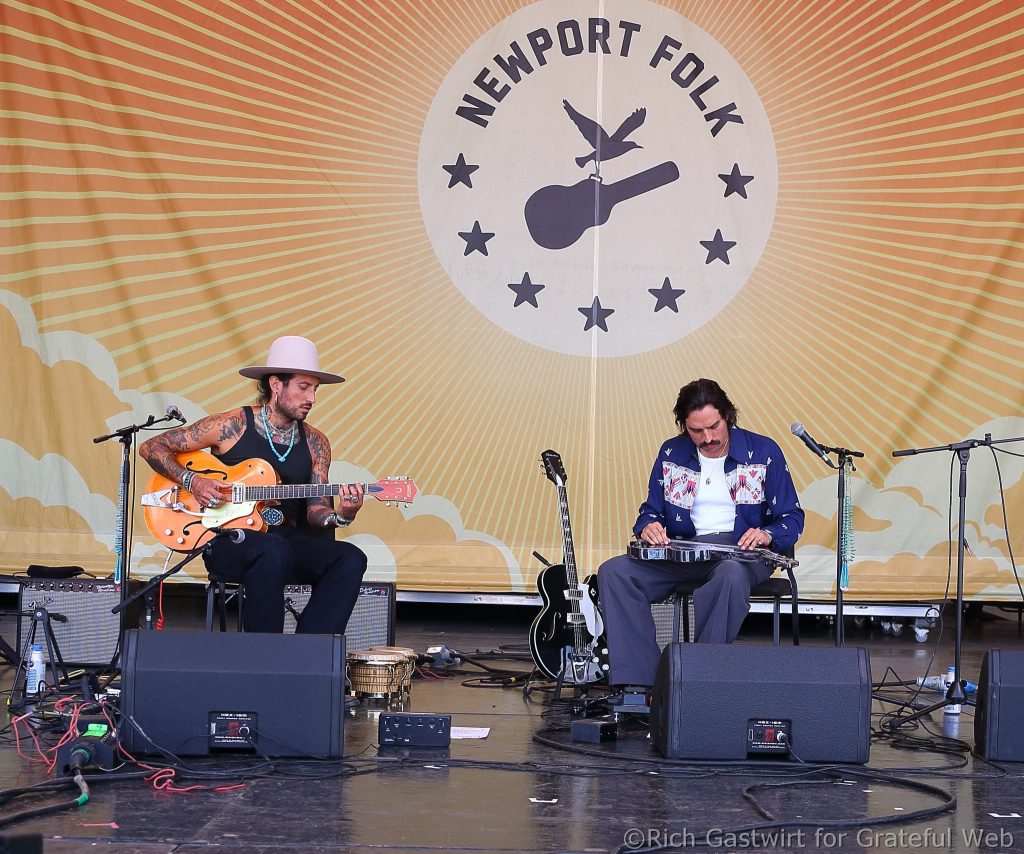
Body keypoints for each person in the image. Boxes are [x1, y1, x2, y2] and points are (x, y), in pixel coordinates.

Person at [139, 336, 367, 634]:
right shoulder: (231, 425)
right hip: (229, 540)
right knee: (272, 550)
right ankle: (264, 652)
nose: (311, 397)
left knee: (350, 558)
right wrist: (192, 481)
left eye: (315, 389)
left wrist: (343, 516)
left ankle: (310, 650)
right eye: (303, 387)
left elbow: (316, 510)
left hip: (287, 541)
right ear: (276, 385)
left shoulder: (316, 442)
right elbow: (151, 447)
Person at [597, 378, 804, 689]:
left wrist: (766, 534)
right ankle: (644, 686)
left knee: (730, 576)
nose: (708, 438)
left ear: (728, 416)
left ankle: (698, 681)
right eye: (697, 430)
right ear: (684, 426)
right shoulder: (672, 452)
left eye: (714, 426)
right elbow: (651, 511)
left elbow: (792, 517)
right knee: (615, 572)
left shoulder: (763, 451)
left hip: (741, 553)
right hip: (684, 550)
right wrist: (648, 526)